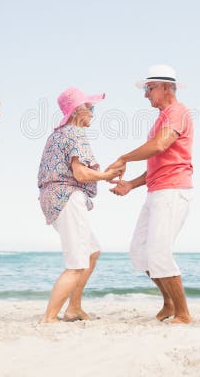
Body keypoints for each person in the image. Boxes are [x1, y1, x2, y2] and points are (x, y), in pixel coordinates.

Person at [107, 65, 194, 324]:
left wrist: (124, 157)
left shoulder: (178, 112)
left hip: (173, 191)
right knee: (139, 252)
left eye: (149, 87)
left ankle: (183, 314)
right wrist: (130, 185)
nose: (145, 94)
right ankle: (168, 302)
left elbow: (159, 145)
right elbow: (157, 163)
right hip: (158, 191)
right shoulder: (163, 116)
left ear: (166, 87)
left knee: (159, 252)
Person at [37, 87, 124, 323]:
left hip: (53, 199)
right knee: (77, 263)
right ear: (77, 110)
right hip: (67, 198)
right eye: (90, 108)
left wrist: (104, 174)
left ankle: (73, 308)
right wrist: (106, 176)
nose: (93, 113)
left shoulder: (57, 134)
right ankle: (50, 317)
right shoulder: (75, 133)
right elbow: (80, 173)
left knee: (92, 252)